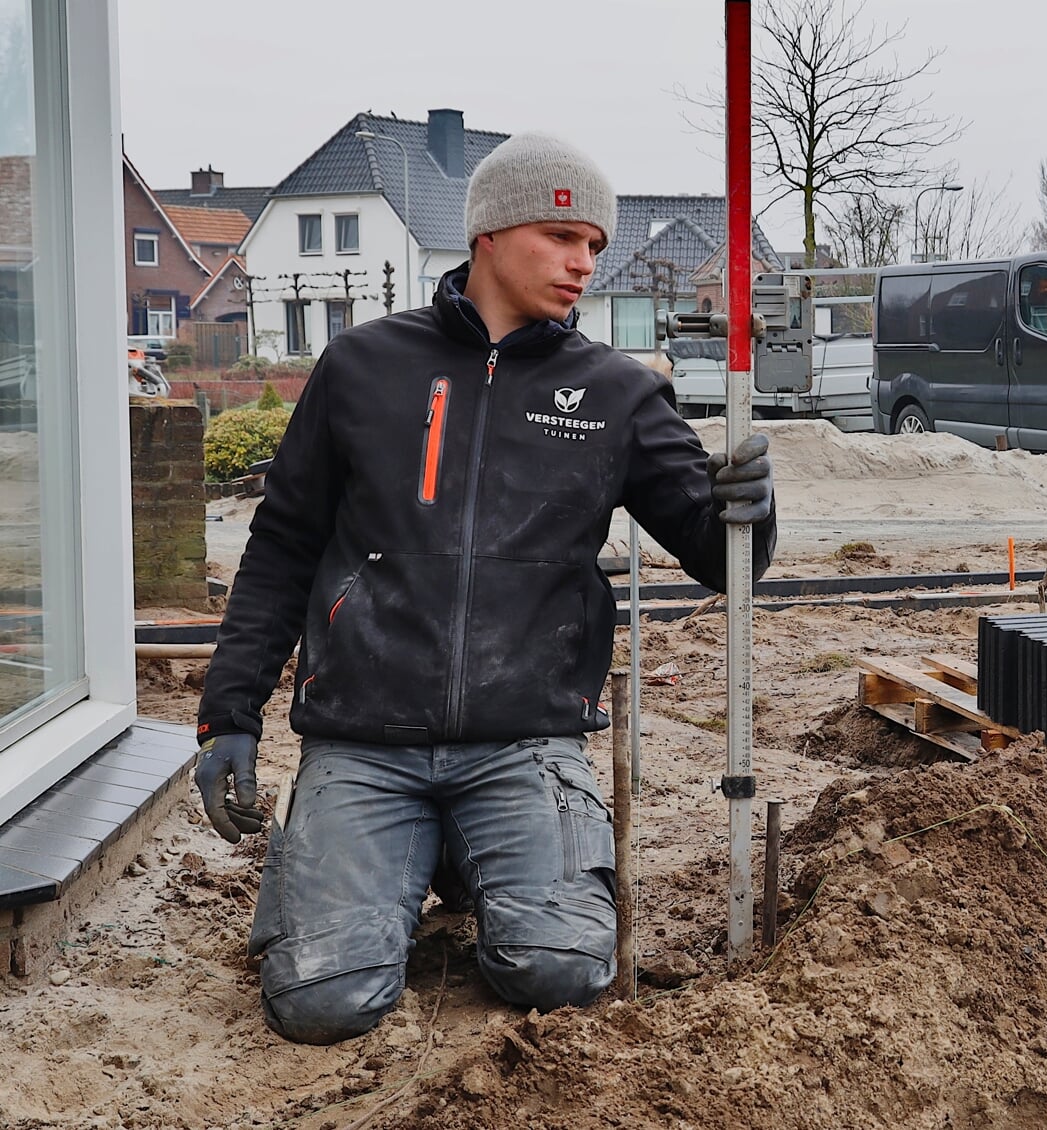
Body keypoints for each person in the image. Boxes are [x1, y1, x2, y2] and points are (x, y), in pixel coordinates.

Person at [192, 133, 776, 1045]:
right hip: (365, 741)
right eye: (562, 236)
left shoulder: (615, 392)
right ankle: (374, 862)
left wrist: (749, 510)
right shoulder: (363, 368)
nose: (585, 262)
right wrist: (229, 711)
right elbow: (281, 548)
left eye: (595, 244)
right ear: (491, 236)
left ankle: (470, 864)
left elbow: (717, 555)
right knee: (323, 1003)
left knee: (561, 974)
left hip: (523, 743)